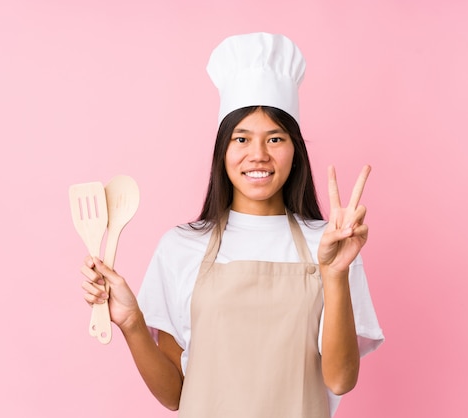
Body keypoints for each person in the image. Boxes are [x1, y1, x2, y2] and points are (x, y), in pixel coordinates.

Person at [81, 32, 384, 418]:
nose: (258, 155)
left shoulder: (329, 244)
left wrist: (335, 272)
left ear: (296, 150)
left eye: (275, 138)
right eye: (242, 138)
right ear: (223, 149)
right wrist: (132, 322)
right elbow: (175, 394)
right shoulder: (181, 246)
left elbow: (339, 380)